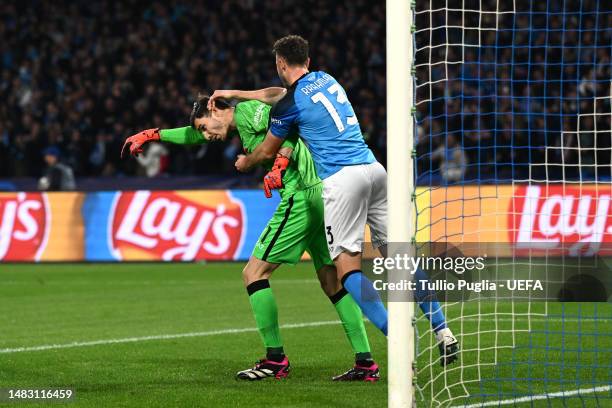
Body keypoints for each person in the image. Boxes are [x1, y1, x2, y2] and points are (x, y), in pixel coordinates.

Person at [209, 35, 459, 365]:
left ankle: (397, 341)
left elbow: (268, 148)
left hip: (343, 182)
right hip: (374, 170)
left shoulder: (289, 104)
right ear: (308, 61)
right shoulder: (327, 79)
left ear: (281, 64)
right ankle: (442, 329)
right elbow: (275, 96)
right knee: (400, 257)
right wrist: (233, 94)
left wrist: (247, 161)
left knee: (347, 269)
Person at [121, 95, 380, 381]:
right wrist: (153, 134)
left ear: (215, 109)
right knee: (331, 279)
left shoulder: (246, 112)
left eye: (206, 127)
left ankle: (275, 359)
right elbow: (193, 136)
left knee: (254, 273)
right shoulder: (235, 126)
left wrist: (280, 164)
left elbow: (289, 128)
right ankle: (365, 362)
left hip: (301, 198)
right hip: (319, 194)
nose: (207, 135)